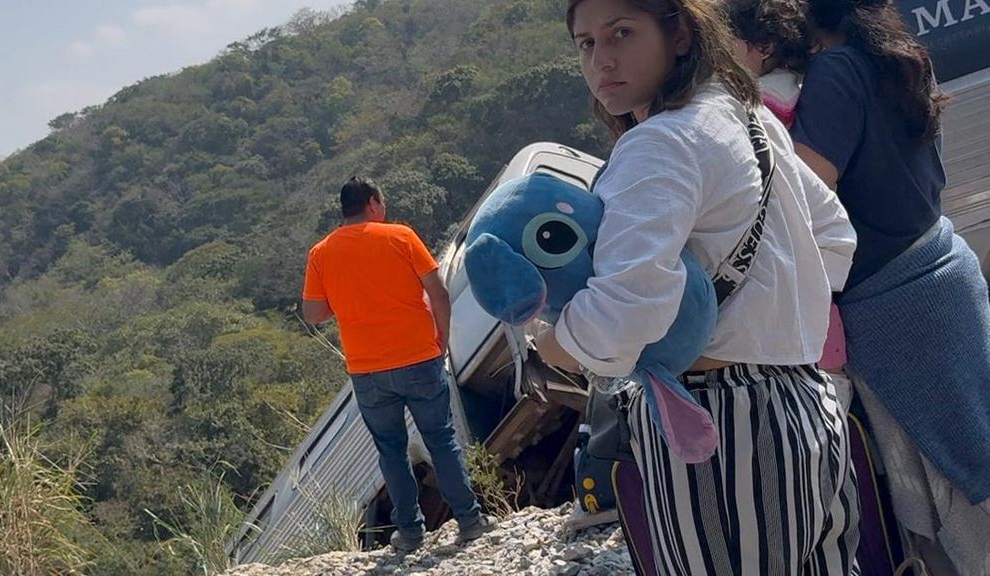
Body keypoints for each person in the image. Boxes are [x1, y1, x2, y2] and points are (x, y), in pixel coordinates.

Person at [535, 0, 860, 573]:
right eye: (586, 44)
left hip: (718, 424)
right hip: (807, 402)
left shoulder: (658, 143)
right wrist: (773, 316)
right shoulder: (743, 116)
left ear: (679, 32)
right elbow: (835, 238)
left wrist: (556, 344)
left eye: (622, 33)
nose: (602, 60)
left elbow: (623, 315)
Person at [792, 0, 990, 572]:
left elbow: (805, 198)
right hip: (944, 268)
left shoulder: (835, 72)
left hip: (896, 305)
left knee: (953, 483)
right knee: (971, 455)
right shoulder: (902, 59)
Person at [302, 176, 495, 553]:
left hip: (367, 371)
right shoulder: (401, 236)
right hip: (419, 358)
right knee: (441, 440)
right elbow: (437, 291)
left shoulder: (321, 253)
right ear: (373, 203)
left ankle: (409, 534)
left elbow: (312, 313)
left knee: (390, 450)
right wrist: (441, 340)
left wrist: (341, 301)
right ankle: (470, 521)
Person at [723, 0, 852, 405]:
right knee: (831, 371)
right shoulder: (803, 85)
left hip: (789, 258)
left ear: (759, 46)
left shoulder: (757, 104)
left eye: (725, 43)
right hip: (818, 264)